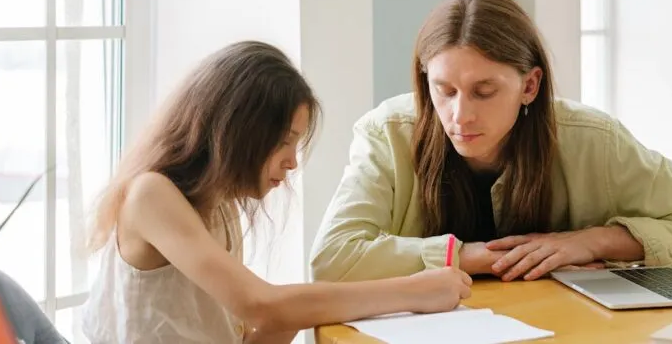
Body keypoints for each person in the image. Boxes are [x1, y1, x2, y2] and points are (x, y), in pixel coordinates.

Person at [81, 41, 471, 344]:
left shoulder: (219, 208)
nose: (291, 163)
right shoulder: (152, 195)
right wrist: (411, 292)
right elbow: (261, 306)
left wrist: (300, 308)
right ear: (237, 132)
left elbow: (263, 319)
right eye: (284, 143)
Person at [310, 0, 672, 284]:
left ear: (530, 86)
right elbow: (331, 257)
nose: (459, 115)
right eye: (444, 90)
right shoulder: (385, 134)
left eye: (484, 92)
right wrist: (468, 256)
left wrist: (593, 240)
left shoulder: (594, 139)